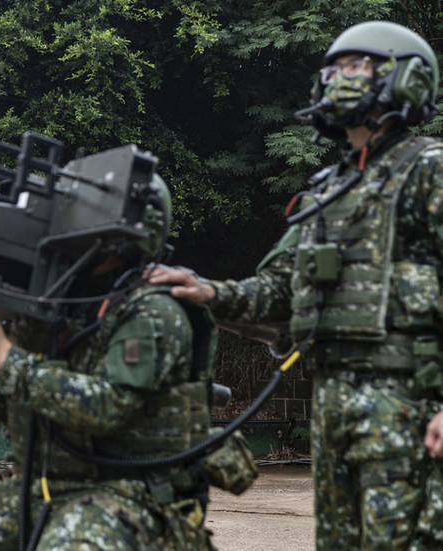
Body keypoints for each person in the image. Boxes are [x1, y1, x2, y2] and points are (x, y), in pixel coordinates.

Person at [148, 21, 443, 549]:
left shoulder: (429, 170)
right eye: (332, 69)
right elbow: (278, 295)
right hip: (334, 407)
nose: (337, 79)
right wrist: (209, 293)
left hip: (415, 410)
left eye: (356, 67)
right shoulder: (326, 193)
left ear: (406, 81)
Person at [0, 168, 224, 550]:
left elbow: (107, 408)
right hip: (45, 485)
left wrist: (6, 356)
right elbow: (17, 408)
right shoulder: (61, 308)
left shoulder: (153, 312)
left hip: (131, 493)